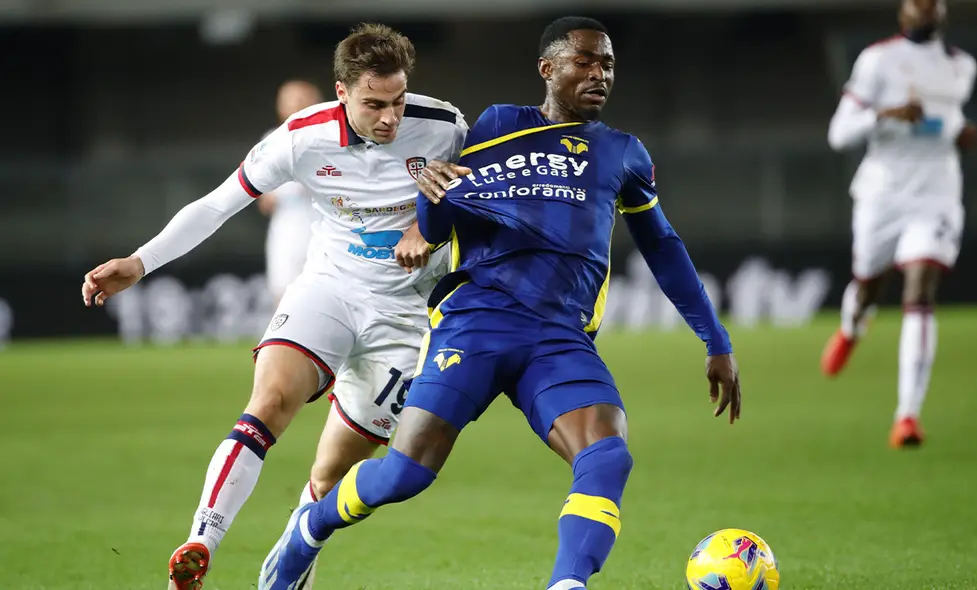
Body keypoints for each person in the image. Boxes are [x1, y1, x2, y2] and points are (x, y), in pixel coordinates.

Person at [261, 16, 740, 590]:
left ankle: (568, 584)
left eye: (607, 64)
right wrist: (428, 205)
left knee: (608, 455)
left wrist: (716, 340)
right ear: (548, 68)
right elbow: (443, 208)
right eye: (584, 61)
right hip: (476, 320)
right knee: (406, 474)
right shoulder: (497, 126)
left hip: (559, 337)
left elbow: (661, 244)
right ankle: (309, 528)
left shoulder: (623, 153)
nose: (599, 74)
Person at [79, 23, 467, 590]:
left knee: (332, 473)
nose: (390, 117)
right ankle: (201, 540)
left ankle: (287, 566)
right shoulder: (299, 138)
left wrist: (427, 226)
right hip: (331, 286)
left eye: (399, 101)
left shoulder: (445, 127)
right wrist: (140, 263)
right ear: (341, 92)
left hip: (406, 316)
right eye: (374, 104)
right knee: (270, 400)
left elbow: (489, 189)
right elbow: (216, 206)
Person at [822, 0, 977, 448]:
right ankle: (852, 327)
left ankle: (907, 416)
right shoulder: (877, 60)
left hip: (937, 196)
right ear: (902, 12)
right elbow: (839, 133)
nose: (927, 6)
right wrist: (885, 114)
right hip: (884, 194)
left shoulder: (962, 66)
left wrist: (960, 133)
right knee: (870, 285)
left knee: (920, 289)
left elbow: (948, 121)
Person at [257, 80, 324, 306]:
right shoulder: (270, 140)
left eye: (302, 99)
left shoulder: (328, 138)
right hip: (287, 225)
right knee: (283, 292)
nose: (296, 105)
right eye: (289, 100)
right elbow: (263, 199)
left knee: (323, 291)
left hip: (323, 223)